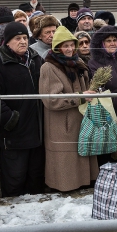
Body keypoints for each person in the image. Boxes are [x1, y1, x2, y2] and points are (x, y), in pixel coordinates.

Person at [0, 22, 44, 196]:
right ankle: (13, 217)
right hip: (13, 137)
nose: (23, 41)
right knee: (14, 181)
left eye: (25, 37)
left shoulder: (36, 59)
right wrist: (11, 119)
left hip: (37, 133)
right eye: (18, 38)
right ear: (7, 42)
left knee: (36, 179)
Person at [39, 26, 98, 192]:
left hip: (80, 120)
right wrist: (80, 97)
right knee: (66, 165)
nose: (70, 49)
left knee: (80, 160)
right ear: (57, 47)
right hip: (61, 125)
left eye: (72, 45)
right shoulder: (49, 67)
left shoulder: (78, 64)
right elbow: (51, 100)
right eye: (66, 46)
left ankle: (83, 189)